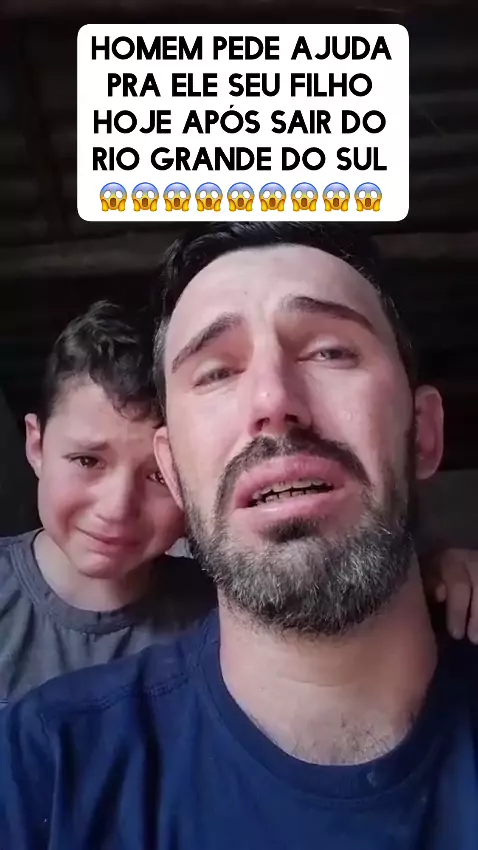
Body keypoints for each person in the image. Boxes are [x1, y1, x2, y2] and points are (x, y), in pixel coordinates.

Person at [1, 223, 478, 848]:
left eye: (330, 351)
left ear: (425, 432)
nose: (273, 399)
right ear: (175, 469)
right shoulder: (42, 769)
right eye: (216, 372)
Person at [0, 300, 214, 706]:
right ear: (37, 446)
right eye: (87, 461)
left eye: (158, 475)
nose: (117, 508)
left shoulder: (222, 618)